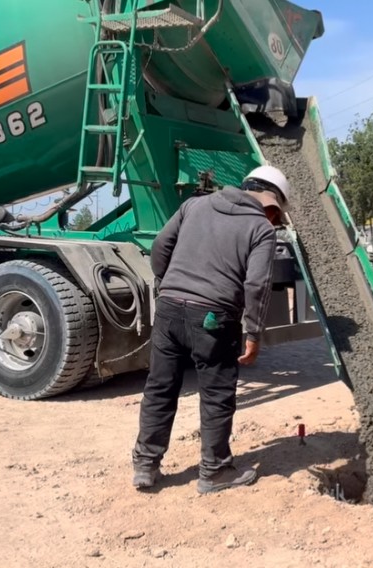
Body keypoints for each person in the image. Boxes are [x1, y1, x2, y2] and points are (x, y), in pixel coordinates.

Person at [131, 165, 290, 494]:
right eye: (276, 216)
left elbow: (160, 247)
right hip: (214, 318)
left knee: (160, 387)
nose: (274, 221)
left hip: (169, 308)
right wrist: (253, 333)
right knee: (216, 395)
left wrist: (168, 284)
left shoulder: (194, 205)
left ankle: (146, 465)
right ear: (272, 206)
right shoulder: (261, 228)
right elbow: (257, 285)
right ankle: (215, 471)